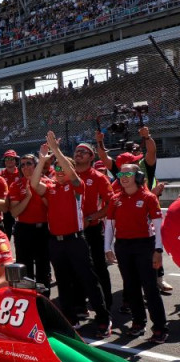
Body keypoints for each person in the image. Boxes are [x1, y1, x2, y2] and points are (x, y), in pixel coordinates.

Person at [31, 131, 111, 337]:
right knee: (64, 282)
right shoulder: (50, 188)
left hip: (76, 241)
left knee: (88, 280)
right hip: (56, 243)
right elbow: (33, 184)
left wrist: (56, 151)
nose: (58, 171)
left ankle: (103, 318)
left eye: (61, 168)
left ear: (70, 171)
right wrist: (42, 161)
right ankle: (70, 318)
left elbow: (72, 175)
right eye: (55, 168)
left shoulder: (77, 187)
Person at [105, 164, 167, 343]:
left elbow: (157, 226)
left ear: (138, 176)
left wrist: (158, 250)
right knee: (131, 288)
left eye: (128, 173)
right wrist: (107, 248)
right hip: (123, 246)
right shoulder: (116, 199)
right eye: (121, 173)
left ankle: (160, 327)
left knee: (150, 289)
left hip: (145, 246)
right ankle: (138, 323)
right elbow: (109, 225)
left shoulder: (149, 197)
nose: (123, 177)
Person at [73, 142, 114, 310]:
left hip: (92, 230)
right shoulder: (68, 174)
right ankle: (80, 305)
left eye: (83, 152)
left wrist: (93, 217)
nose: (78, 153)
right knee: (76, 269)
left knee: (99, 268)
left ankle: (106, 305)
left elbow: (111, 203)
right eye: (76, 151)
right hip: (72, 231)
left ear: (91, 157)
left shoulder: (98, 177)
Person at [7, 153, 51, 296]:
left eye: (29, 163)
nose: (25, 167)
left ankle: (45, 301)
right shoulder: (16, 184)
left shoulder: (48, 182)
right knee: (25, 268)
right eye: (23, 164)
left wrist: (38, 190)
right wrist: (27, 198)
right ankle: (27, 299)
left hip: (44, 229)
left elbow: (51, 206)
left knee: (43, 267)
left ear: (37, 165)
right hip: (24, 229)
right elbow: (14, 213)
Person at [0, 149, 20, 239]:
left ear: (16, 161)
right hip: (6, 209)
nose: (9, 161)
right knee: (6, 233)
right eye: (7, 159)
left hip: (20, 207)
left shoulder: (22, 173)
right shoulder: (0, 176)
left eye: (12, 158)